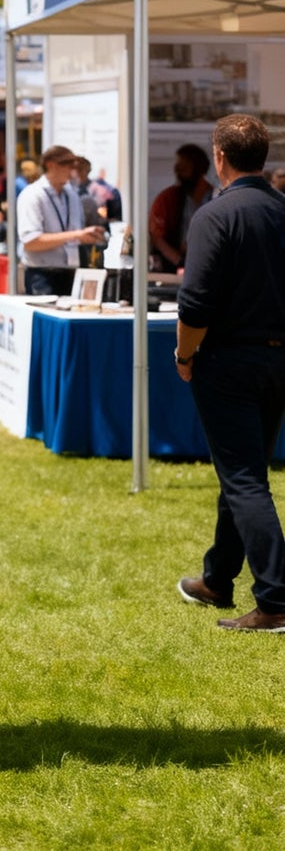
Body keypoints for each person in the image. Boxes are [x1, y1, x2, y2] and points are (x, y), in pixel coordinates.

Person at [173, 114, 285, 632]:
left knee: (243, 479)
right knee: (241, 472)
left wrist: (184, 355)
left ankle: (276, 599)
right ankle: (218, 578)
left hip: (230, 360)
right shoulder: (280, 209)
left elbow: (194, 305)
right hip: (276, 359)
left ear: (219, 156)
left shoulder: (215, 216)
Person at [16, 144, 106, 296]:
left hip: (71, 272)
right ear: (50, 165)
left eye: (74, 166)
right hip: (42, 275)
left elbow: (74, 233)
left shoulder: (72, 195)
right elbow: (31, 241)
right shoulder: (32, 195)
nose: (72, 171)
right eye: (68, 166)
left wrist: (87, 236)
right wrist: (76, 235)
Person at [149, 143, 214, 272]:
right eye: (178, 167)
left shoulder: (216, 197)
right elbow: (157, 238)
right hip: (174, 268)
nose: (178, 171)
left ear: (199, 168)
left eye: (184, 167)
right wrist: (180, 262)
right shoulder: (167, 198)